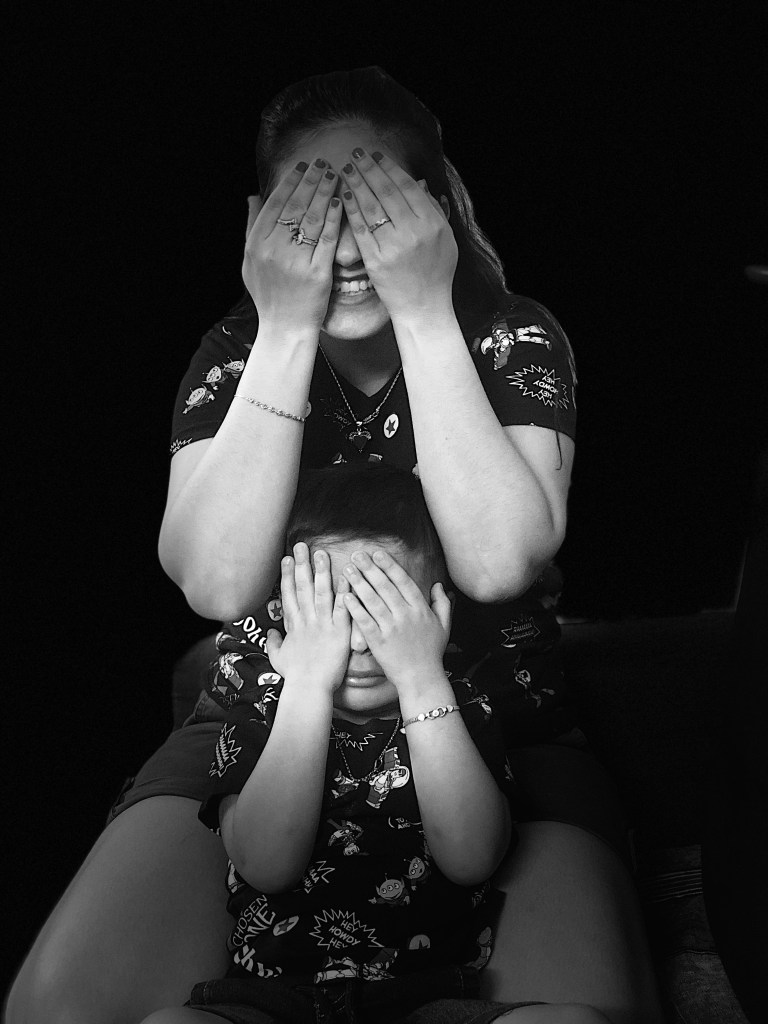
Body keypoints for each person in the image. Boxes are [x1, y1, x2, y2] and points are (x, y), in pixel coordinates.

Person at [6, 67, 662, 1024]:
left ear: (433, 210)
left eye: (377, 206)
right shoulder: (235, 352)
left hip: (499, 726)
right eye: (312, 212)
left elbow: (496, 564)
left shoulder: (512, 336)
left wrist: (425, 312)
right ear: (261, 225)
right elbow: (216, 583)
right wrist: (284, 325)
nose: (348, 246)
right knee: (58, 1011)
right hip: (262, 723)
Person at [139, 463, 610, 1024]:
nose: (361, 643)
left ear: (438, 615)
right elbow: (267, 864)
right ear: (285, 613)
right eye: (331, 612)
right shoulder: (260, 715)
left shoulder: (459, 708)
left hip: (434, 998)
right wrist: (307, 688)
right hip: (270, 1000)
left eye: (386, 611)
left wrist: (422, 679)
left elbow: (472, 858)